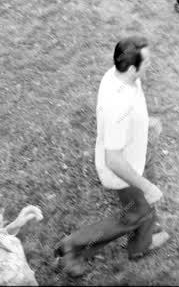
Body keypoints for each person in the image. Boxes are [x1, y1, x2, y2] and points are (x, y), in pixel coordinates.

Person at [54, 36, 169, 278]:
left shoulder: (119, 75)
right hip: (122, 171)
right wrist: (146, 186)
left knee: (144, 208)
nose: (151, 65)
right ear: (131, 68)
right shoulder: (119, 107)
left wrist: (146, 123)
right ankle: (73, 246)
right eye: (147, 62)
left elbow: (131, 112)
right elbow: (114, 161)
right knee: (134, 215)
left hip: (134, 156)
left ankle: (140, 244)